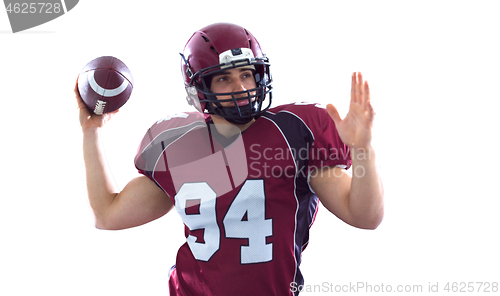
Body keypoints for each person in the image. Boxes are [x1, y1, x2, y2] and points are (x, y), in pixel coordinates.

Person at [76, 22, 384, 296]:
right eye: (223, 79)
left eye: (246, 75)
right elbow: (108, 214)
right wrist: (92, 131)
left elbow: (364, 217)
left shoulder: (297, 132)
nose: (240, 88)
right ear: (200, 87)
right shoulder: (177, 142)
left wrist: (363, 150)